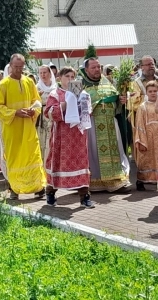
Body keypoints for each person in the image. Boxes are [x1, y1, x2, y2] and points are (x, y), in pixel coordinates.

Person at [0, 53, 46, 199]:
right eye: (16, 67)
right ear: (10, 66)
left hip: (28, 126)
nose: (18, 69)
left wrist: (33, 110)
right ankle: (14, 189)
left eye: (21, 67)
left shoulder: (29, 82)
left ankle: (39, 187)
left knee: (33, 155)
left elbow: (37, 101)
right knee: (14, 157)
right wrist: (15, 112)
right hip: (12, 128)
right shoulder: (2, 85)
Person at [44, 66, 95, 208]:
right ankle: (50, 192)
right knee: (59, 163)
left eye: (73, 77)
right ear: (60, 78)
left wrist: (83, 103)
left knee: (81, 164)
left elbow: (87, 114)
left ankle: (84, 196)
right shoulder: (55, 94)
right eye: (67, 77)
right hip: (62, 136)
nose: (70, 80)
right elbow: (49, 113)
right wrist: (65, 104)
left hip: (78, 136)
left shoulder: (83, 93)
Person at [80, 57, 131, 193]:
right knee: (94, 153)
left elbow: (117, 104)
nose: (97, 70)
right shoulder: (81, 84)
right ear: (86, 70)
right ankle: (95, 181)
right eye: (93, 67)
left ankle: (116, 181)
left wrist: (121, 100)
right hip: (92, 124)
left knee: (116, 152)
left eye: (98, 67)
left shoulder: (108, 82)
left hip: (110, 123)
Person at [134, 81, 158, 191]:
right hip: (148, 137)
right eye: (150, 91)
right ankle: (141, 180)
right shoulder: (143, 107)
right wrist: (141, 140)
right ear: (146, 93)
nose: (153, 93)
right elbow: (140, 124)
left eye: (155, 91)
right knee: (146, 159)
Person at [36, 65, 58, 161]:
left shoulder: (56, 87)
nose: (42, 75)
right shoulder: (36, 87)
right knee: (42, 141)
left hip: (54, 116)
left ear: (50, 73)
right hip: (42, 118)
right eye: (40, 73)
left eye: (44, 72)